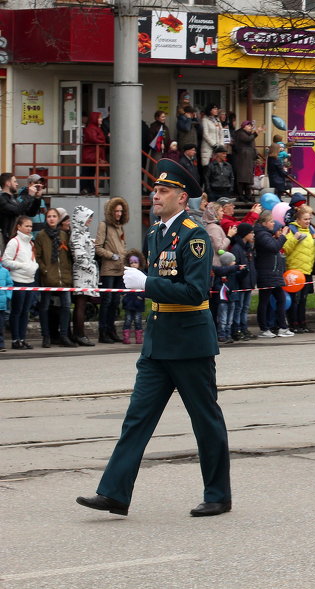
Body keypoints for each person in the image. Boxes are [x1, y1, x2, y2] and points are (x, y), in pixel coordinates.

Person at [76, 158, 230, 518]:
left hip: (190, 343)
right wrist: (148, 287)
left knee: (205, 420)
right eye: (154, 190)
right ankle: (114, 493)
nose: (155, 196)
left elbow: (194, 291)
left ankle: (219, 494)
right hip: (158, 341)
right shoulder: (155, 232)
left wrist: (147, 284)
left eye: (163, 191)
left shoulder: (194, 234)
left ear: (182, 196)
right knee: (137, 419)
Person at [34, 207, 74, 347]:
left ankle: (63, 335)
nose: (51, 218)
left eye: (54, 216)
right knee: (44, 307)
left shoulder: (64, 235)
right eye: (49, 216)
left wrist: (68, 272)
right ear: (46, 219)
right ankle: (46, 336)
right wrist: (44, 270)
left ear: (58, 219)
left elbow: (68, 257)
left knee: (66, 306)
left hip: (64, 277)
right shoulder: (41, 235)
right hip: (48, 277)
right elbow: (37, 257)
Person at [94, 197, 129, 344]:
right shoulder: (104, 225)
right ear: (111, 212)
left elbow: (122, 246)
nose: (119, 214)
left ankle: (111, 329)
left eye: (121, 211)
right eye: (116, 211)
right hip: (108, 270)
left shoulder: (120, 227)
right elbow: (97, 247)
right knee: (107, 301)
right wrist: (112, 255)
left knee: (115, 302)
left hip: (120, 269)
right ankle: (103, 332)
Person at [2, 215, 36, 349]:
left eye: (31, 226)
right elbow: (5, 260)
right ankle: (15, 340)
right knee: (17, 311)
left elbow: (31, 260)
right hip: (18, 280)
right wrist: (22, 266)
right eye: (26, 226)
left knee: (25, 311)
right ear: (19, 227)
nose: (29, 229)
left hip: (30, 281)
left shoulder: (30, 243)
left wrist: (34, 266)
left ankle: (22, 338)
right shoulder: (14, 242)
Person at [254, 215, 291, 338]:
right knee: (264, 301)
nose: (272, 223)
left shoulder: (267, 235)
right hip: (266, 273)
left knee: (281, 299)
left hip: (274, 274)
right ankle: (264, 328)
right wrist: (283, 236)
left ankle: (282, 327)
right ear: (264, 223)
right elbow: (274, 247)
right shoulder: (261, 235)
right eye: (270, 221)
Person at [68, 205, 100, 346]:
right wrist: (90, 267)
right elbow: (79, 256)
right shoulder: (76, 234)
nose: (90, 220)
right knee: (80, 305)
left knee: (82, 304)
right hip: (82, 275)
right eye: (88, 217)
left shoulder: (83, 233)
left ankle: (79, 334)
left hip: (87, 275)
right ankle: (79, 334)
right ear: (81, 218)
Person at [283, 204, 315, 333]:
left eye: (309, 219)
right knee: (295, 300)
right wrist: (295, 239)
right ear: (298, 220)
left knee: (303, 299)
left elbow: (313, 250)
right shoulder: (292, 230)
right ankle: (293, 323)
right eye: (305, 219)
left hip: (307, 270)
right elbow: (285, 248)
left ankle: (303, 323)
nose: (308, 222)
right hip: (295, 270)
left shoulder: (310, 232)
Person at [226, 223, 256, 341]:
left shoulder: (248, 247)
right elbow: (235, 268)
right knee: (239, 307)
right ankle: (236, 329)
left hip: (248, 282)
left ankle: (244, 328)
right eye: (251, 233)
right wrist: (242, 272)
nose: (253, 235)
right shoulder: (237, 249)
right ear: (245, 234)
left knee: (245, 307)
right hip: (240, 283)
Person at [0, 173, 39, 244]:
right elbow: (17, 211)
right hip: (6, 238)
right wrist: (29, 196)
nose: (17, 184)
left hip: (16, 238)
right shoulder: (1, 199)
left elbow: (31, 213)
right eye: (14, 181)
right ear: (8, 183)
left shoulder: (13, 199)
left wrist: (37, 198)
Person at [121, 250, 146, 344]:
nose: (133, 264)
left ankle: (138, 338)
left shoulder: (142, 274)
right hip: (128, 301)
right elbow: (123, 284)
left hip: (138, 302)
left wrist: (141, 297)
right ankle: (126, 338)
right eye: (131, 262)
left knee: (138, 320)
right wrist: (124, 294)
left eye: (135, 262)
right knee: (127, 320)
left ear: (139, 263)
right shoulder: (127, 273)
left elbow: (145, 286)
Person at [232, 121, 260, 199]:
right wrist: (256, 133)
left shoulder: (249, 135)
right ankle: (241, 195)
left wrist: (256, 156)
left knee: (248, 179)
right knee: (242, 178)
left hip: (248, 159)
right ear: (244, 126)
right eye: (249, 126)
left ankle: (248, 195)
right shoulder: (240, 133)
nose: (250, 127)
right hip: (243, 159)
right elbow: (247, 139)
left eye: (251, 126)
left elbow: (253, 146)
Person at [81, 112, 107, 196]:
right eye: (99, 118)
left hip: (94, 154)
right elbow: (94, 139)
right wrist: (102, 141)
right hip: (91, 154)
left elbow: (98, 139)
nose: (101, 119)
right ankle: (86, 189)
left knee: (91, 172)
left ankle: (90, 189)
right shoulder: (91, 128)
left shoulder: (96, 128)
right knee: (88, 172)